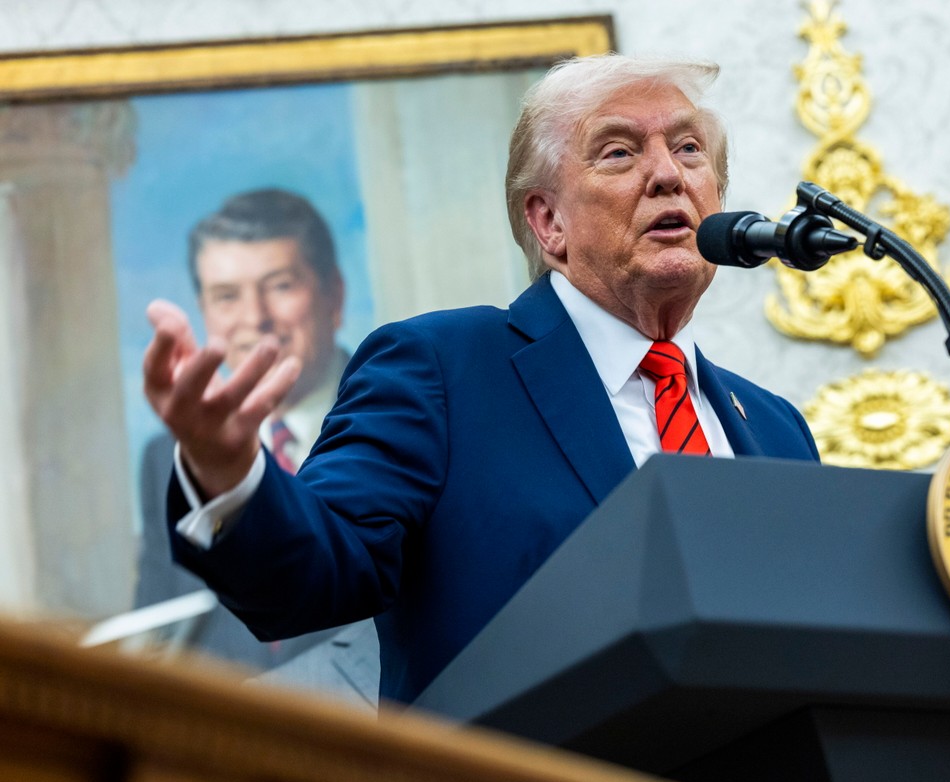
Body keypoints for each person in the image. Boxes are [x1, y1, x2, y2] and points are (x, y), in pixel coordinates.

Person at [142, 55, 820, 706]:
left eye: (690, 150)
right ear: (547, 221)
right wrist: (226, 475)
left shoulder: (774, 426)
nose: (668, 175)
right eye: (618, 152)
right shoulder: (442, 369)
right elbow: (316, 576)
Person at [135, 188, 359, 673]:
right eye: (227, 296)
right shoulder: (169, 458)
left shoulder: (403, 418)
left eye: (280, 285)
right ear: (204, 310)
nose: (255, 318)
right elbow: (157, 637)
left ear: (334, 295)